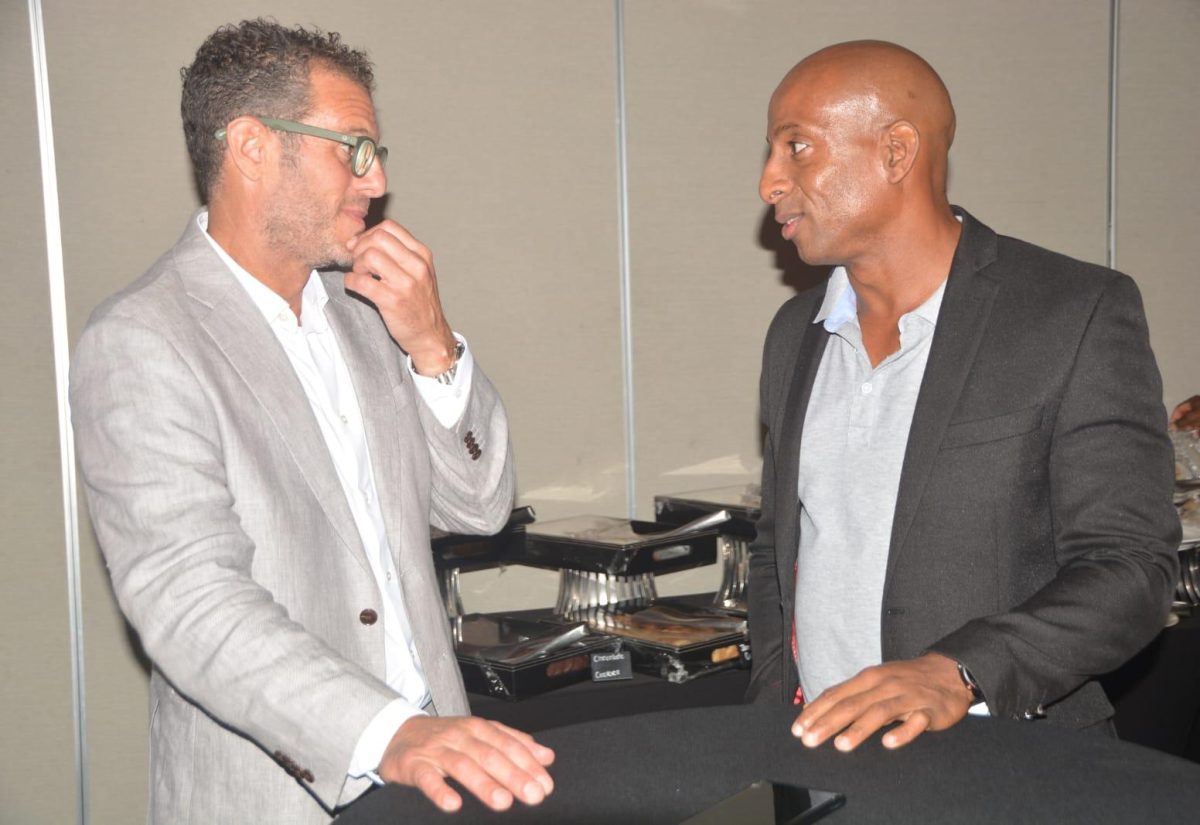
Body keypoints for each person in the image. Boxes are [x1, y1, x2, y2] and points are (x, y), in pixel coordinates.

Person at [70, 19, 552, 824]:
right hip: (279, 796)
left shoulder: (369, 309)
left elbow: (480, 507)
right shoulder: (143, 338)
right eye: (353, 149)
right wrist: (387, 731)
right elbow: (189, 600)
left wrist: (432, 343)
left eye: (376, 152)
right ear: (252, 146)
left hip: (434, 780)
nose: (377, 178)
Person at [748, 40, 1180, 754]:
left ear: (895, 152)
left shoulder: (1071, 312)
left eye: (796, 148)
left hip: (1012, 765)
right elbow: (777, 553)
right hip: (824, 763)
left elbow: (1131, 568)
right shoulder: (795, 333)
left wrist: (960, 672)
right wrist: (771, 714)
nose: (770, 181)